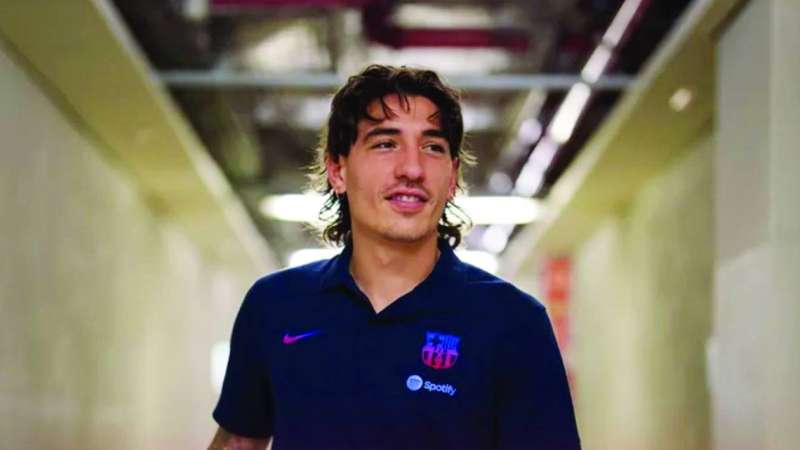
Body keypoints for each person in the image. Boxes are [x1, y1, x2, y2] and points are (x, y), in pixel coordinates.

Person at [208, 65, 581, 450]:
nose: (412, 169)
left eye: (432, 147)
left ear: (452, 177)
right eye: (386, 144)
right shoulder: (275, 305)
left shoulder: (515, 322)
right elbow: (239, 442)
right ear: (337, 169)